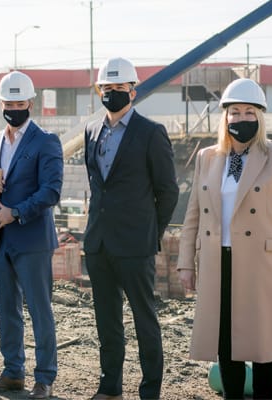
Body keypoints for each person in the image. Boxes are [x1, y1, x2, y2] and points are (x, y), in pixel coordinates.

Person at [178, 78, 272, 399]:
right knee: (226, 345)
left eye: (249, 112)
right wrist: (185, 262)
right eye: (234, 112)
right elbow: (193, 214)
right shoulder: (207, 158)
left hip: (261, 263)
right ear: (225, 117)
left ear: (260, 116)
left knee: (263, 347)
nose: (241, 118)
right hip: (216, 262)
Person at [83, 57, 179, 400]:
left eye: (119, 88)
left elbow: (168, 191)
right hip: (99, 244)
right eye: (106, 88)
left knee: (144, 321)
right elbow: (98, 188)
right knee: (107, 322)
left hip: (135, 245)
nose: (112, 94)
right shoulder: (92, 130)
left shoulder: (151, 133)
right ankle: (110, 388)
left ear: (132, 91)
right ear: (99, 91)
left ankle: (149, 391)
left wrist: (150, 234)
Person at [0, 71, 63, 400]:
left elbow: (51, 191)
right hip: (1, 241)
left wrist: (13, 212)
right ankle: (13, 372)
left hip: (31, 239)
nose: (13, 108)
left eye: (19, 103)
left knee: (39, 309)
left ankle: (44, 377)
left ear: (30, 103)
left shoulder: (46, 142)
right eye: (8, 103)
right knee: (7, 310)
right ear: (1, 104)